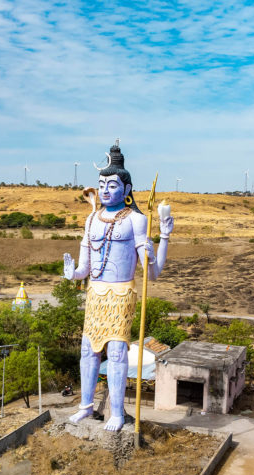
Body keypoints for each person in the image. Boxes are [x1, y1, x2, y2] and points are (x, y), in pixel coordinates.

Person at [63, 143, 173, 431]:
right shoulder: (91, 219)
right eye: (101, 185)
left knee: (116, 352)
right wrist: (71, 273)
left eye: (112, 185)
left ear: (127, 191)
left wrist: (164, 238)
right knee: (88, 350)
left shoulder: (137, 220)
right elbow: (84, 269)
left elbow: (154, 273)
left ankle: (116, 412)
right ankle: (86, 405)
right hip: (95, 295)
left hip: (121, 294)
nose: (105, 191)